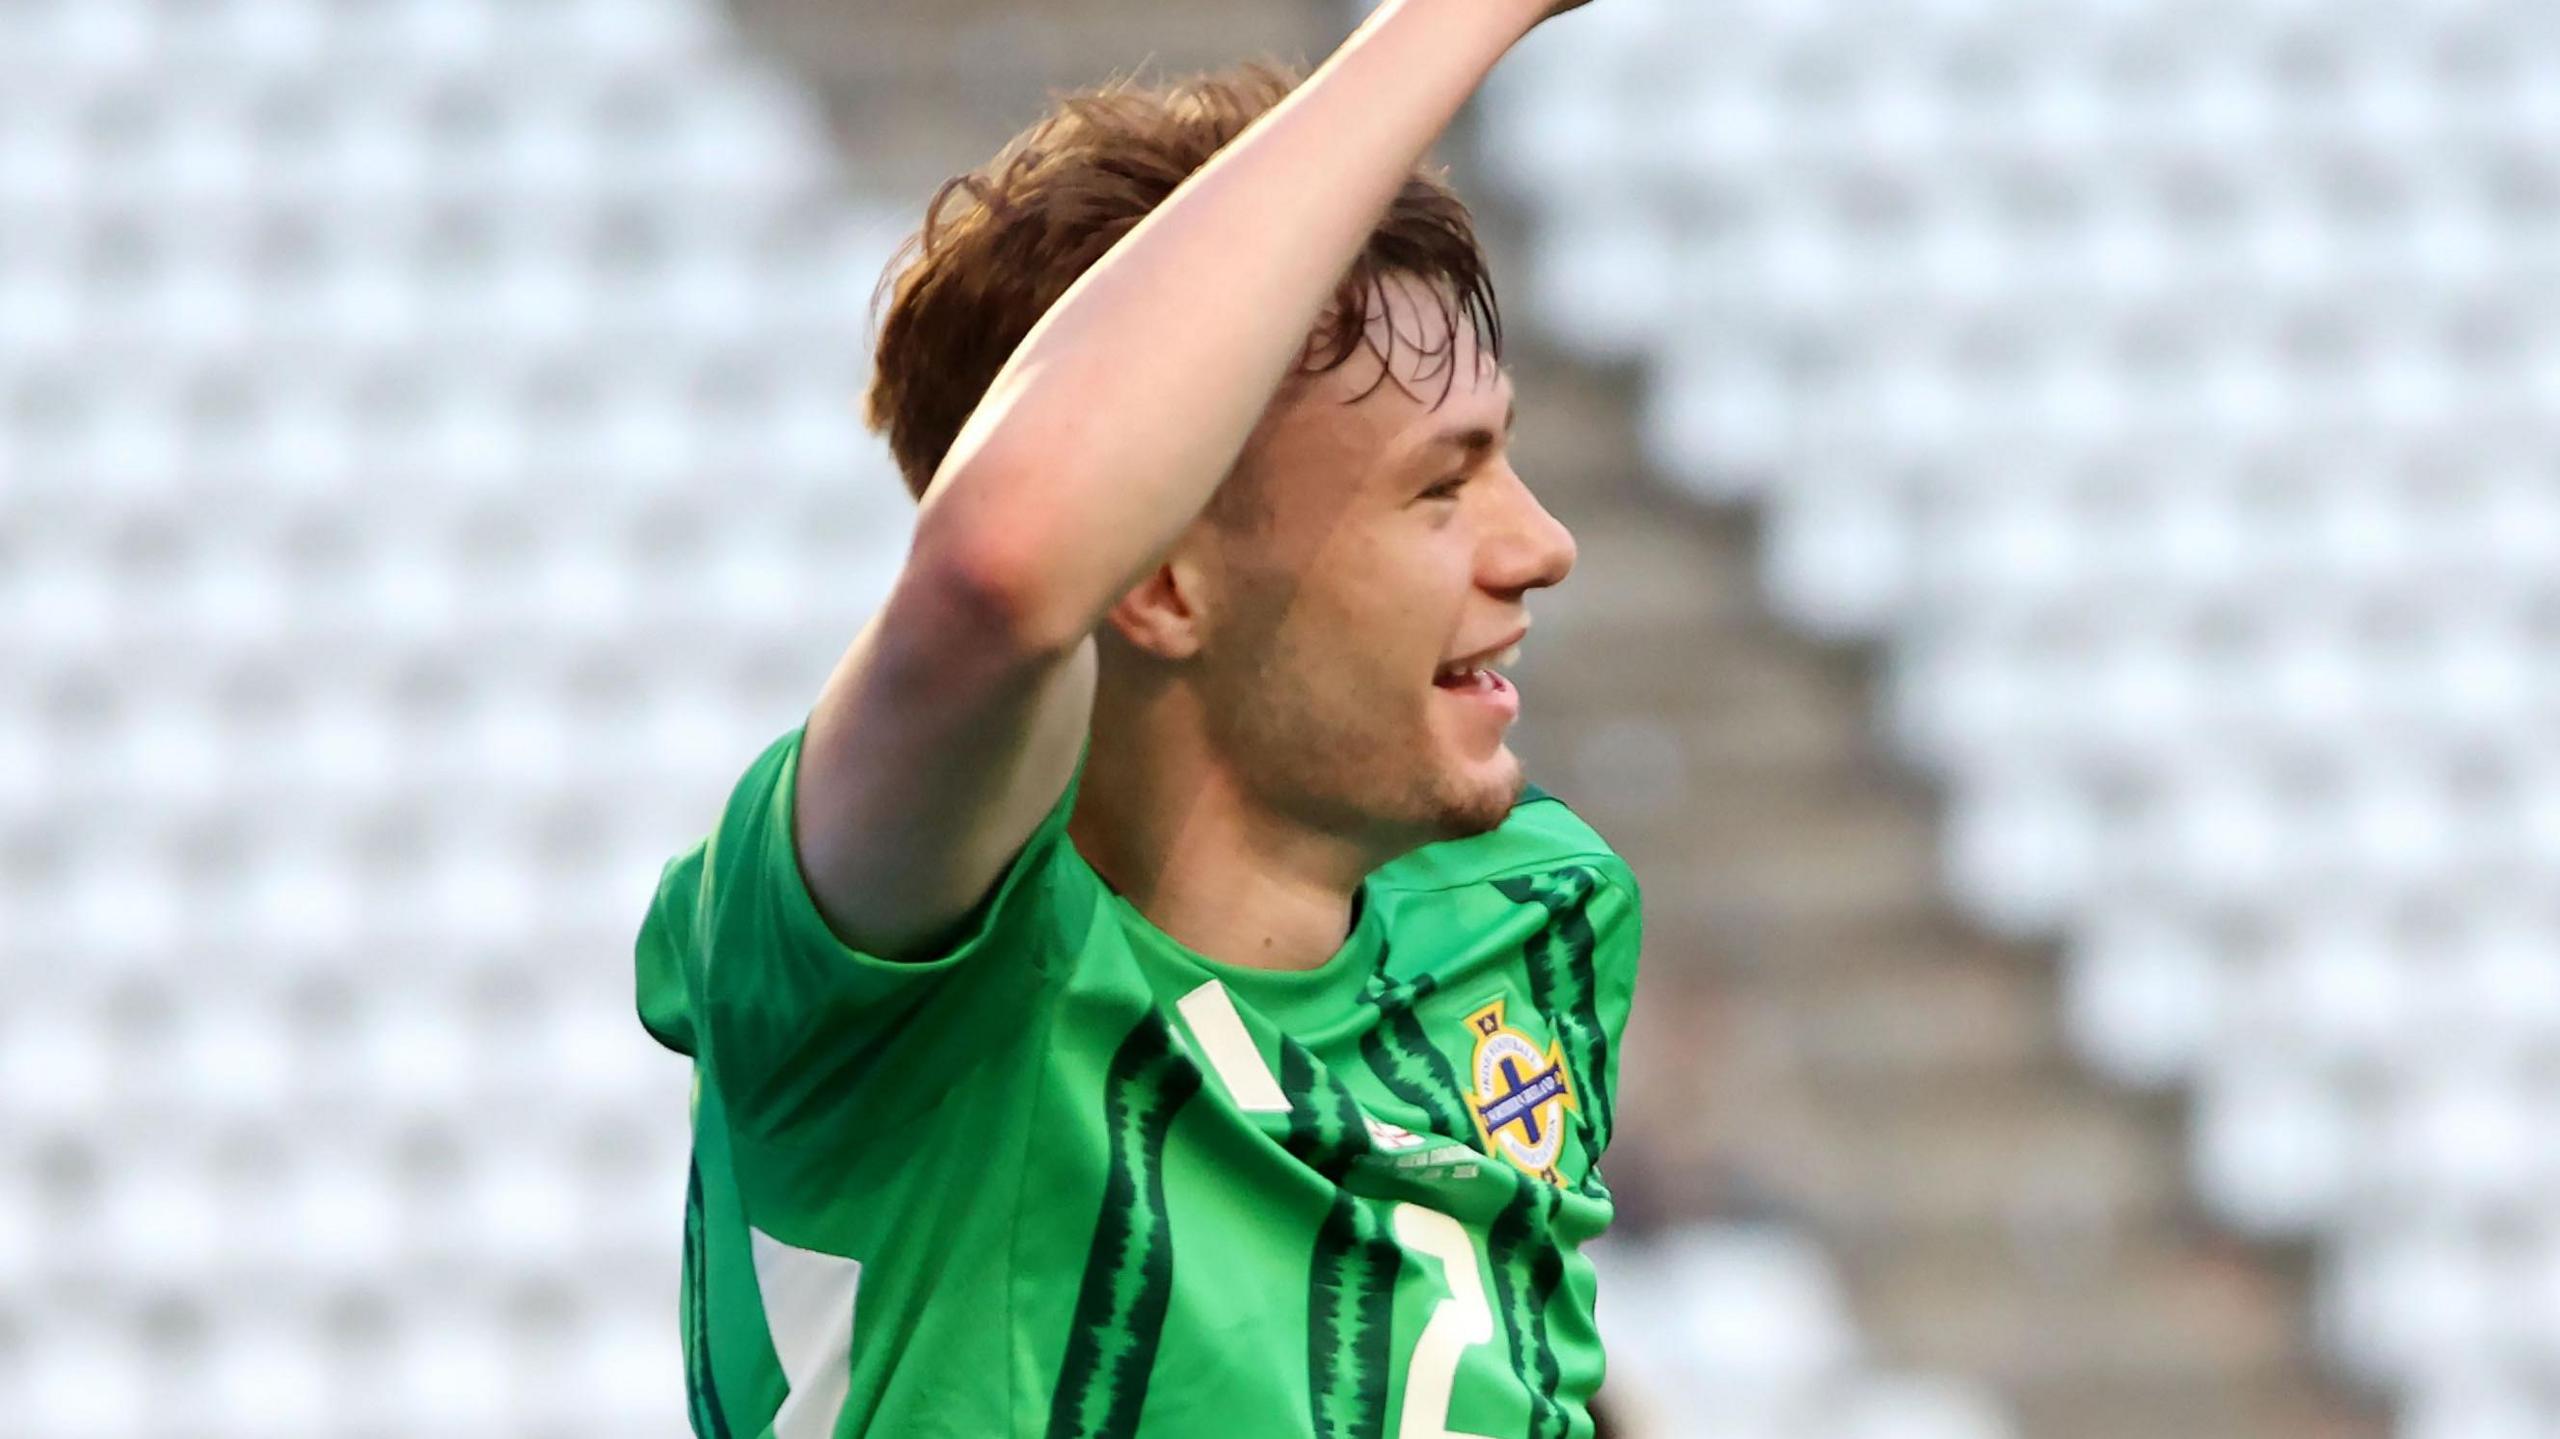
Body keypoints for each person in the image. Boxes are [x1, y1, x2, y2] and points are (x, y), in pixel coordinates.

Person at [633, 0, 1641, 1433]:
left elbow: (1489, 1330)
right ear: (1159, 579)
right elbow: (1005, 568)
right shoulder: (892, 988)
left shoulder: (1531, 914)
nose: (1541, 545)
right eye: (1442, 484)